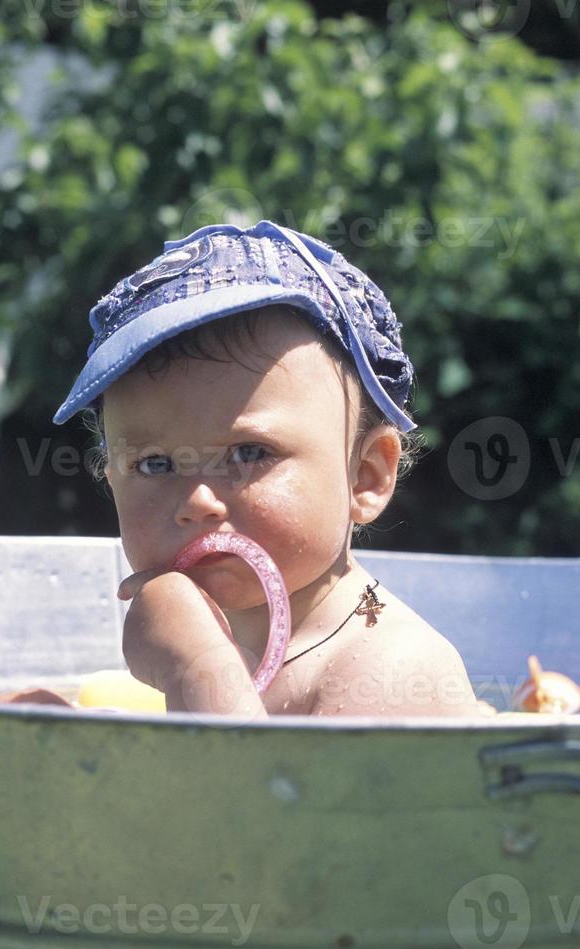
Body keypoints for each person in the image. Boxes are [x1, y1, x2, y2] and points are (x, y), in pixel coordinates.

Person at [53, 220, 482, 718]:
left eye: (249, 453)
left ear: (365, 476)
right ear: (112, 481)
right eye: (154, 463)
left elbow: (242, 794)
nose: (196, 500)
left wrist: (199, 671)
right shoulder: (183, 635)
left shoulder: (389, 669)